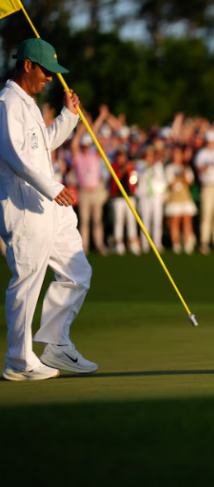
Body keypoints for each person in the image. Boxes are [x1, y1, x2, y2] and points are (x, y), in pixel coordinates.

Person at [0, 38, 98, 380]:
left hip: (48, 207)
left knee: (78, 272)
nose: (51, 79)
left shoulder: (27, 102)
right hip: (25, 208)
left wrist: (69, 117)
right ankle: (18, 361)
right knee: (27, 280)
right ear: (27, 65)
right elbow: (15, 155)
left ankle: (56, 345)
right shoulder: (7, 103)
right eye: (46, 71)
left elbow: (42, 146)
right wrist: (54, 188)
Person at [71, 131, 109, 255]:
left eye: (87, 145)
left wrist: (93, 131)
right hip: (83, 192)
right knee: (84, 220)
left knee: (97, 220)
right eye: (84, 145)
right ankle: (84, 246)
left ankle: (99, 244)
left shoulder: (94, 156)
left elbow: (102, 146)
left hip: (95, 191)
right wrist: (80, 131)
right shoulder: (78, 157)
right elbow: (73, 146)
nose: (85, 147)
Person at [164, 147, 197, 254]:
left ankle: (187, 244)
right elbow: (170, 183)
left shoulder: (186, 168)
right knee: (175, 221)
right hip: (174, 198)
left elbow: (190, 182)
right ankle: (176, 244)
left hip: (185, 197)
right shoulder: (169, 168)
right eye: (175, 154)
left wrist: (182, 175)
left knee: (187, 221)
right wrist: (178, 177)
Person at [109, 150, 141, 255]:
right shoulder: (114, 166)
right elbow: (115, 179)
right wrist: (123, 169)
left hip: (129, 196)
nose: (121, 159)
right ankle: (119, 243)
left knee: (131, 220)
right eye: (119, 156)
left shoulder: (131, 167)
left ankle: (132, 243)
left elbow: (134, 180)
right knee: (119, 221)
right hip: (118, 197)